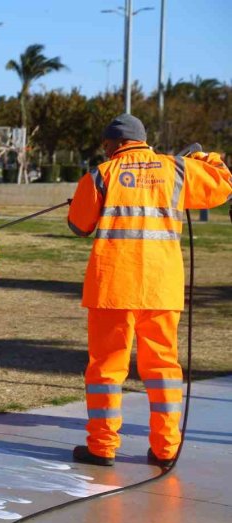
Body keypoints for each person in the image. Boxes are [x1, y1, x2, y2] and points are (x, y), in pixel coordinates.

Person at [68, 114, 232, 468]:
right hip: (161, 287)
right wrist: (203, 159)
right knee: (163, 370)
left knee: (106, 370)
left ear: (112, 143)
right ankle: (165, 449)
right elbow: (222, 182)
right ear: (142, 140)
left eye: (105, 144)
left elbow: (79, 226)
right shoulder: (175, 169)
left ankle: (102, 446)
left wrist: (80, 201)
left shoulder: (101, 174)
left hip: (113, 287)